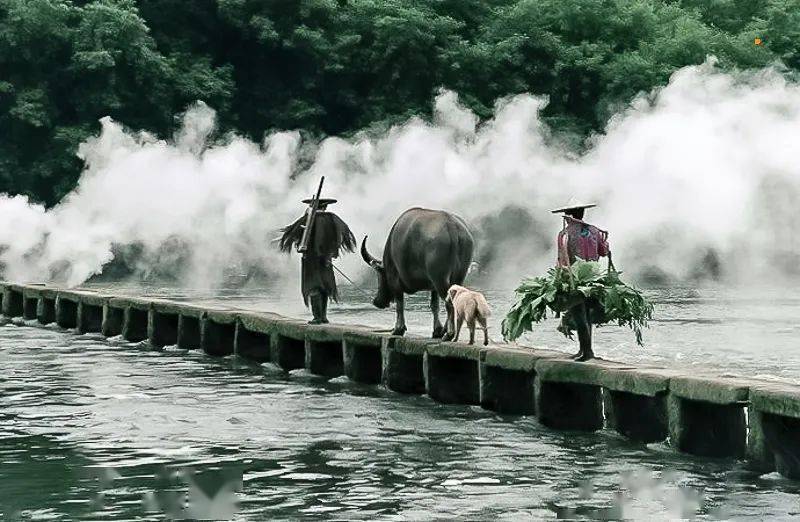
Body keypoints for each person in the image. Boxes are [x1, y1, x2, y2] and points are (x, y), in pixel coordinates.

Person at [279, 197, 356, 324]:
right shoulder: (332, 219)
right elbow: (343, 235)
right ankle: (323, 317)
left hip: (311, 260)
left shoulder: (308, 219)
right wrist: (332, 252)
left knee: (313, 286)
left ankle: (317, 317)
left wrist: (301, 241)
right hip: (326, 260)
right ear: (325, 207)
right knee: (325, 286)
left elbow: (291, 234)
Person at [551, 198, 610, 361]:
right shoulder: (594, 231)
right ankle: (586, 349)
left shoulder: (565, 234)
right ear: (582, 213)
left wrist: (559, 279)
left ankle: (586, 351)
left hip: (575, 278)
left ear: (567, 215)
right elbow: (604, 252)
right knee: (587, 315)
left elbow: (562, 258)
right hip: (593, 277)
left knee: (578, 313)